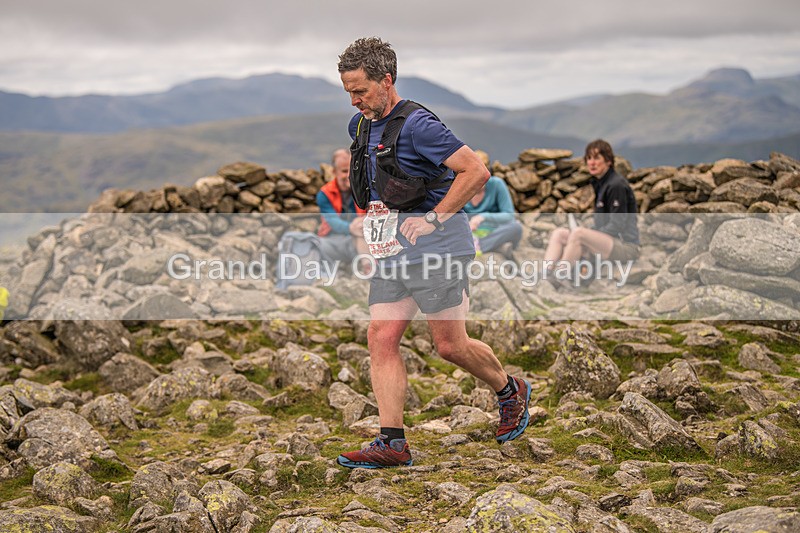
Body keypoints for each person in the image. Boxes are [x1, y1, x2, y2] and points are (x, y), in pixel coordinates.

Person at [335, 37, 532, 469]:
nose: (354, 101)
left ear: (387, 81)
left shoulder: (419, 125)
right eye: (348, 92)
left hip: (439, 247)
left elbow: (475, 172)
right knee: (380, 336)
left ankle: (509, 390)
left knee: (450, 346)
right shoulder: (361, 127)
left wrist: (433, 218)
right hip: (394, 249)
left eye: (361, 91)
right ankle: (392, 443)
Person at [543, 139, 640, 285]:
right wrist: (591, 235)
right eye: (589, 158)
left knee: (578, 234)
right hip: (607, 242)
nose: (591, 163)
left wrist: (590, 235)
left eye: (596, 158)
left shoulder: (616, 186)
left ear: (608, 161)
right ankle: (545, 274)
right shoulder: (599, 183)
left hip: (625, 246)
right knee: (559, 234)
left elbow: (617, 225)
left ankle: (558, 277)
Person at [316, 149, 369, 270]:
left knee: (361, 235)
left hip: (360, 234)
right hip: (334, 238)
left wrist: (360, 225)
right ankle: (368, 268)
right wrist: (352, 228)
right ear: (334, 172)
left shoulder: (363, 189)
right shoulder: (324, 194)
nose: (349, 175)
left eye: (352, 170)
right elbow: (332, 221)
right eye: (344, 171)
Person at [464, 151, 522, 258]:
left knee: (516, 227)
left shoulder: (497, 184)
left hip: (493, 231)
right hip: (468, 231)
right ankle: (494, 246)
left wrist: (483, 217)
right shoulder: (461, 187)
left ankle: (477, 245)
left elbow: (509, 215)